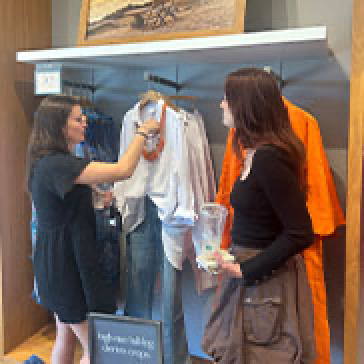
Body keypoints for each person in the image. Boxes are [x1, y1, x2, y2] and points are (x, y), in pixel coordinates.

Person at [26, 95, 160, 364]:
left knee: (66, 334)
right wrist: (143, 132)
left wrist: (95, 199)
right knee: (98, 347)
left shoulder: (53, 162)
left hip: (58, 261)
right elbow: (123, 170)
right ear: (59, 126)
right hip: (66, 265)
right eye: (77, 118)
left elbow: (64, 204)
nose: (85, 122)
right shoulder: (58, 164)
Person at [202, 68, 316, 363]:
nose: (221, 104)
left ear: (246, 105)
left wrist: (247, 270)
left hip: (265, 281)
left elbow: (300, 231)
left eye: (227, 98)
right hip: (251, 271)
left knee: (262, 354)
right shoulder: (254, 153)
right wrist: (230, 257)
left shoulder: (268, 158)